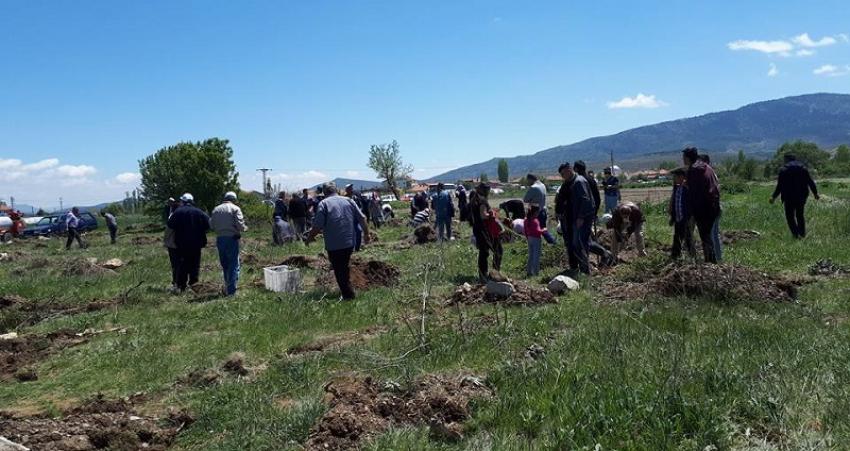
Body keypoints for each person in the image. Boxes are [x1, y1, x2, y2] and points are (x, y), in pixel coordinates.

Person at [305, 183, 370, 300]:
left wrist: (310, 238)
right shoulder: (349, 201)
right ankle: (348, 290)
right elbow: (362, 218)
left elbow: (317, 226)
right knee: (343, 266)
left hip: (334, 245)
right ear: (336, 190)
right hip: (349, 242)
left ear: (325, 192)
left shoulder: (324, 204)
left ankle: (348, 296)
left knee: (339, 269)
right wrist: (367, 234)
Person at [683, 147, 720, 263]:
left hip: (703, 208)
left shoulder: (693, 171)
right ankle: (712, 262)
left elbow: (693, 194)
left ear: (688, 158)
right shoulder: (707, 167)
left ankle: (710, 263)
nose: (683, 160)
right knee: (707, 236)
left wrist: (690, 213)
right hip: (713, 206)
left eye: (684, 158)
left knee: (705, 237)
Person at [167, 193, 210, 293]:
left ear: (183, 202)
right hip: (196, 244)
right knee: (195, 264)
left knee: (182, 264)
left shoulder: (178, 212)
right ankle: (194, 284)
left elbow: (170, 225)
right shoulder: (199, 212)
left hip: (181, 244)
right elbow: (209, 224)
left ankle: (182, 286)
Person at [770, 153, 820, 238]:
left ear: (786, 159)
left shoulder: (783, 170)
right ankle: (802, 234)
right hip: (801, 196)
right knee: (800, 215)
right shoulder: (803, 168)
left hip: (789, 197)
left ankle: (796, 234)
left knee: (790, 216)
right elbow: (810, 182)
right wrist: (815, 193)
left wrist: (773, 197)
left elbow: (780, 186)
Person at [575, 161, 614, 266]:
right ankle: (586, 262)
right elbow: (597, 198)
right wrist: (594, 212)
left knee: (584, 240)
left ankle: (604, 254)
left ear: (576, 170)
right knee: (585, 239)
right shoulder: (591, 180)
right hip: (590, 213)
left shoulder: (580, 181)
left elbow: (591, 198)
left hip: (584, 215)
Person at [210, 191, 247, 296]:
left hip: (220, 239)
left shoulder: (216, 209)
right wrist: (245, 228)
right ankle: (231, 291)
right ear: (234, 199)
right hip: (232, 238)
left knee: (225, 264)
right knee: (234, 264)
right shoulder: (235, 209)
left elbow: (211, 225)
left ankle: (227, 286)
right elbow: (240, 225)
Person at [468, 183, 502, 282]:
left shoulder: (475, 199)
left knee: (484, 251)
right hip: (482, 228)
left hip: (477, 228)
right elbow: (483, 215)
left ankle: (484, 274)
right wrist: (490, 215)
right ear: (484, 190)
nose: (488, 192)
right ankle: (484, 275)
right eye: (487, 190)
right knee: (485, 251)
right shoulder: (482, 201)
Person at [700, 153, 723, 261]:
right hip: (716, 207)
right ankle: (716, 257)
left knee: (713, 234)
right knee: (714, 234)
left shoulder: (708, 173)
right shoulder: (712, 173)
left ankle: (716, 258)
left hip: (713, 208)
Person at [669, 168, 696, 259]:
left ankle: (692, 257)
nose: (674, 179)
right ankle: (675, 256)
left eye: (675, 177)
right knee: (677, 237)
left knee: (688, 238)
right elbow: (674, 203)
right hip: (678, 218)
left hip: (686, 218)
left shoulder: (687, 188)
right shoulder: (676, 188)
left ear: (681, 177)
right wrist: (672, 216)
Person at [523, 174, 555, 244]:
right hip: (543, 210)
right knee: (543, 229)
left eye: (528, 180)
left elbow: (525, 199)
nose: (527, 182)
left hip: (535, 212)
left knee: (536, 231)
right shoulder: (542, 185)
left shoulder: (533, 187)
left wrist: (531, 199)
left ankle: (552, 242)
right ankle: (552, 242)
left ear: (530, 179)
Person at [524, 205, 546, 276]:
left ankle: (529, 271)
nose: (538, 213)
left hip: (529, 238)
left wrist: (527, 237)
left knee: (531, 255)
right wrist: (543, 230)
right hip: (536, 239)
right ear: (535, 212)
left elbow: (525, 230)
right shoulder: (535, 221)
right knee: (536, 256)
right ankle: (536, 272)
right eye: (537, 212)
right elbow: (537, 231)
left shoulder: (526, 220)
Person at [164, 198, 180, 290]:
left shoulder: (172, 217)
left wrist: (166, 242)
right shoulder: (185, 217)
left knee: (175, 265)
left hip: (173, 245)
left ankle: (176, 283)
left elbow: (168, 232)